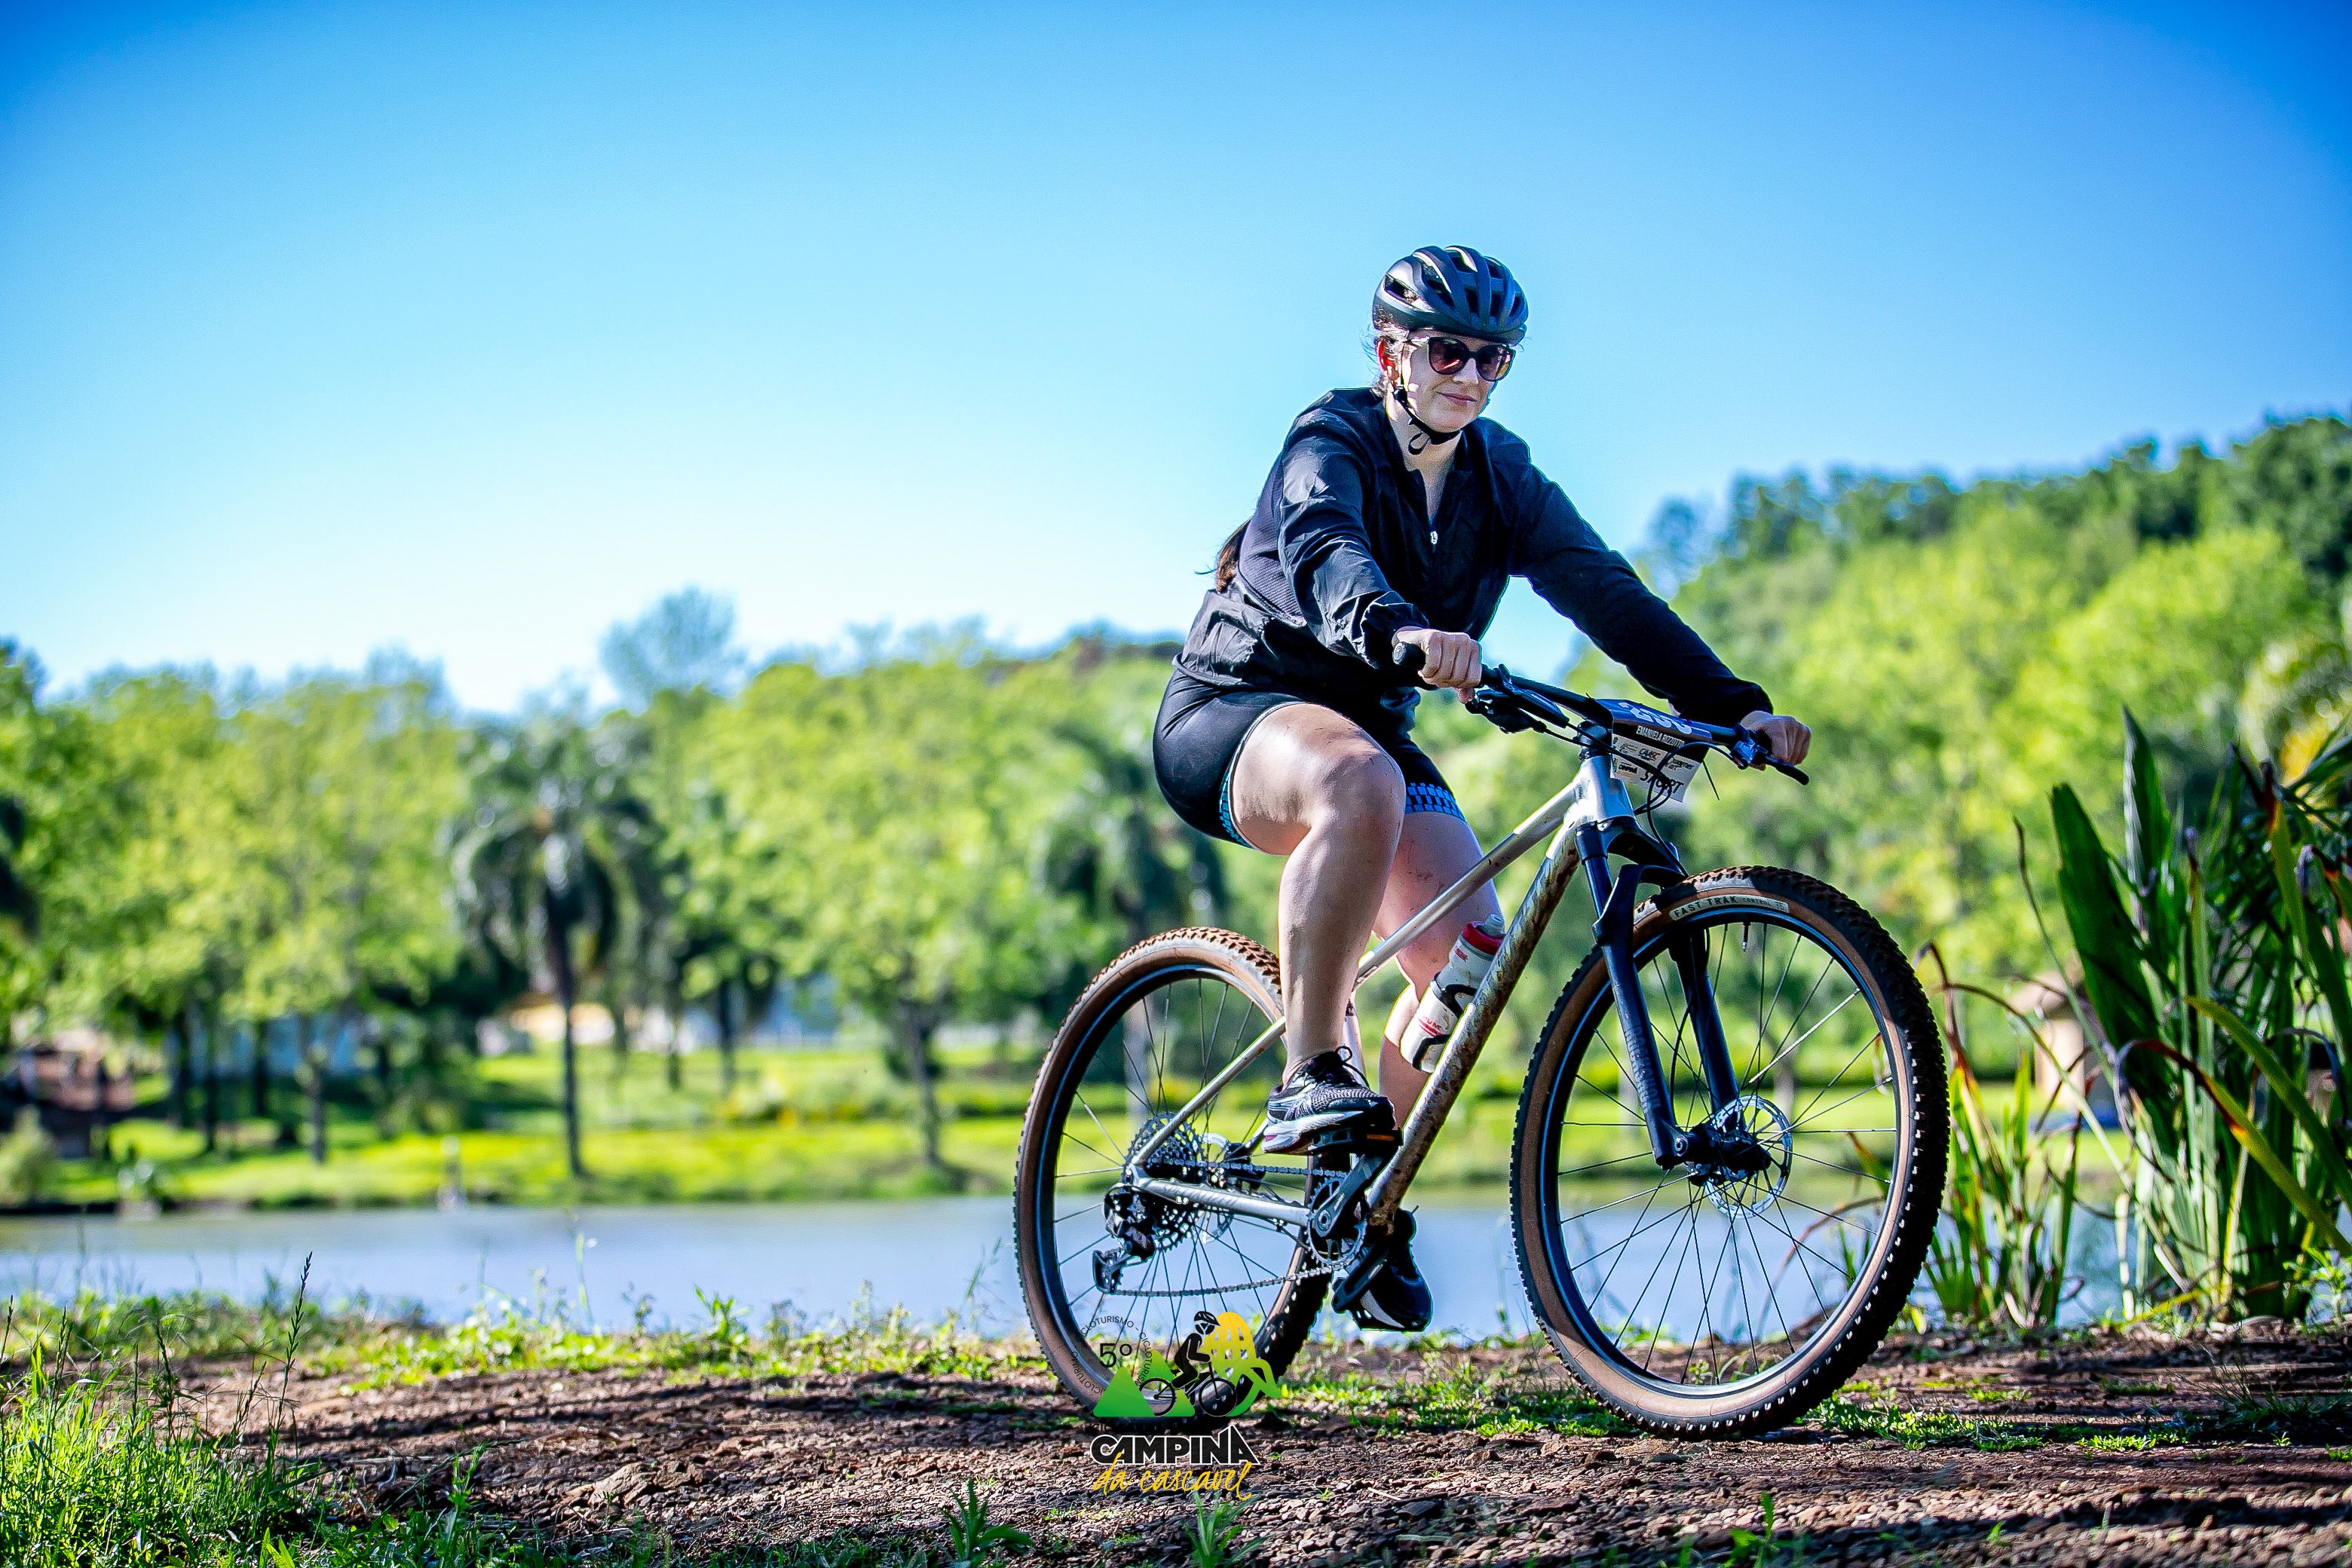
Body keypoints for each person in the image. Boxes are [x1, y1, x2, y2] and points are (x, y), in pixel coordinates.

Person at [1150, 247, 1811, 1331]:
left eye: (1491, 359)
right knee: (1355, 775)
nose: (1468, 374)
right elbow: (1325, 549)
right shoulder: (1331, 440)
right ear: (1391, 355)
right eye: (1446, 351)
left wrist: (1732, 704)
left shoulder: (1504, 478)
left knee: (1470, 949)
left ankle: (1350, 1197)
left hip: (1369, 730)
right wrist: (1398, 631)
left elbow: (1607, 593)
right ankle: (1311, 1071)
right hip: (1237, 708)